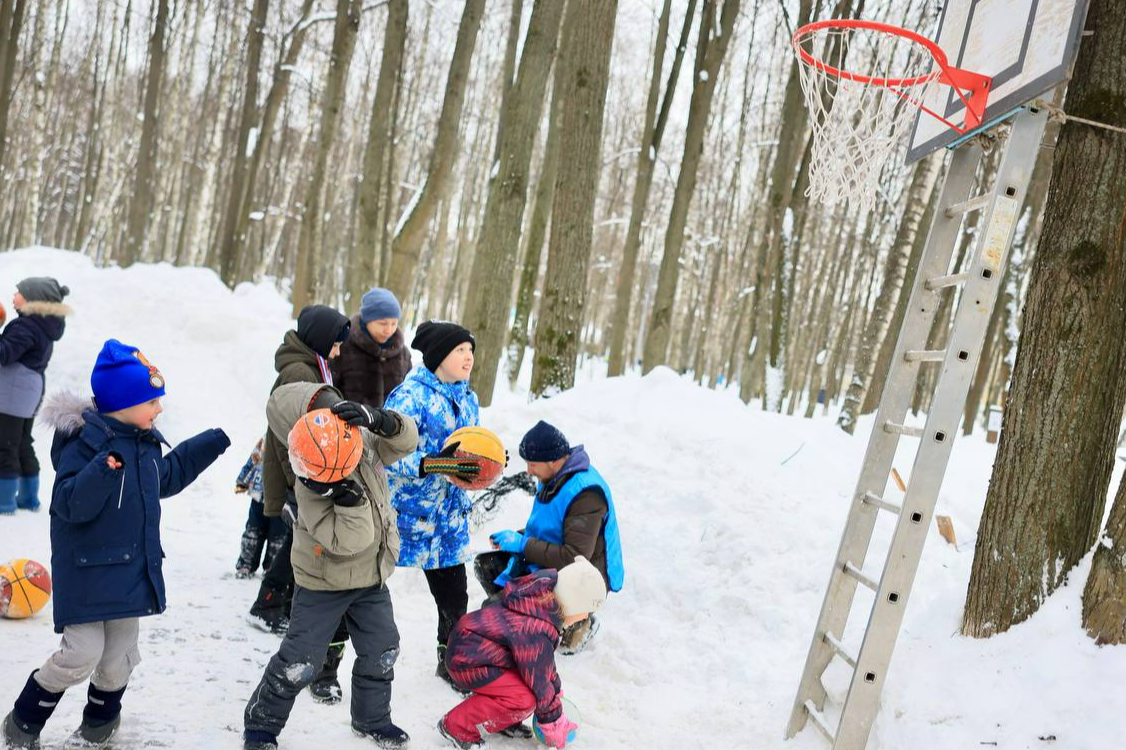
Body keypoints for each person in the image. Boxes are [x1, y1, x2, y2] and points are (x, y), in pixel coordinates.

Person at [1, 339, 230, 750]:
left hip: (128, 570)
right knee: (81, 655)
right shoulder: (84, 444)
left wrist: (209, 443)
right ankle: (22, 722)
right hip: (86, 571)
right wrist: (102, 471)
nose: (159, 409)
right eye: (152, 401)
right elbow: (69, 505)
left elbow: (167, 477)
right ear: (123, 403)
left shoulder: (142, 443)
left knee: (119, 658)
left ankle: (98, 727)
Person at [242, 382, 418, 750]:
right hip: (323, 583)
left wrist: (382, 421)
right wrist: (347, 498)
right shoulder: (310, 482)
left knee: (382, 648)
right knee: (301, 660)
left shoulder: (361, 441)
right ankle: (262, 726)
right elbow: (346, 542)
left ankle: (372, 719)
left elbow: (406, 443)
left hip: (370, 579)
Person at [247, 304, 360, 706]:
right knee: (303, 542)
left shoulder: (308, 364)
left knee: (300, 539)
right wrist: (300, 481)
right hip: (300, 471)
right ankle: (270, 602)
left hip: (302, 472)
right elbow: (292, 436)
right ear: (318, 339)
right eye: (334, 342)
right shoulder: (299, 372)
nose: (338, 350)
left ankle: (271, 601)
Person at [383, 321, 483, 690]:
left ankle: (452, 664)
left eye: (470, 350)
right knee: (361, 590)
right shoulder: (410, 397)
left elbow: (470, 451)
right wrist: (436, 463)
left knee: (456, 598)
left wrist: (489, 462)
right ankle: (327, 666)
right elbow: (386, 454)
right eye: (460, 350)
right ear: (439, 356)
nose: (468, 357)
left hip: (448, 520)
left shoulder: (467, 398)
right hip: (404, 517)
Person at [476, 421, 624, 654]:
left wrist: (524, 545)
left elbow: (574, 558)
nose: (528, 471)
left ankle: (576, 625)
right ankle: (530, 623)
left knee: (497, 610)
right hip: (554, 562)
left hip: (582, 577)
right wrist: (518, 538)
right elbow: (551, 528)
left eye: (532, 464)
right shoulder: (554, 479)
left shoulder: (585, 494)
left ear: (553, 461)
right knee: (488, 565)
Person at [436, 557, 606, 749]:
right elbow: (539, 682)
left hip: (476, 652)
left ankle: (501, 720)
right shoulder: (536, 627)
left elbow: (543, 664)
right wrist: (553, 721)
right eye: (585, 610)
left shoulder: (540, 606)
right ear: (573, 602)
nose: (585, 616)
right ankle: (457, 726)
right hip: (467, 660)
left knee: (527, 689)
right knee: (524, 699)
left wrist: (556, 692)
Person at [0, 277, 71, 514]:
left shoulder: (25, 326)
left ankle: (4, 501)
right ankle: (29, 498)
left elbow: (5, 354)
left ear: (33, 298)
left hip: (13, 392)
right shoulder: (44, 324)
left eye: (18, 292)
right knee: (21, 442)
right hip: (28, 391)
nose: (13, 296)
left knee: (5, 445)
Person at [331, 287, 411, 410]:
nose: (389, 330)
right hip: (351, 425)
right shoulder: (343, 348)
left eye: (394, 323)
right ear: (367, 320)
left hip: (389, 427)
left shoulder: (403, 355)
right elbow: (331, 391)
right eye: (383, 323)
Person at [234, 438, 286, 578]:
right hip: (259, 495)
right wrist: (242, 480)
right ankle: (246, 564)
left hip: (281, 499)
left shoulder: (295, 440)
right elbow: (253, 459)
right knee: (253, 531)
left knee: (278, 536)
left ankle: (272, 567)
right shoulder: (266, 439)